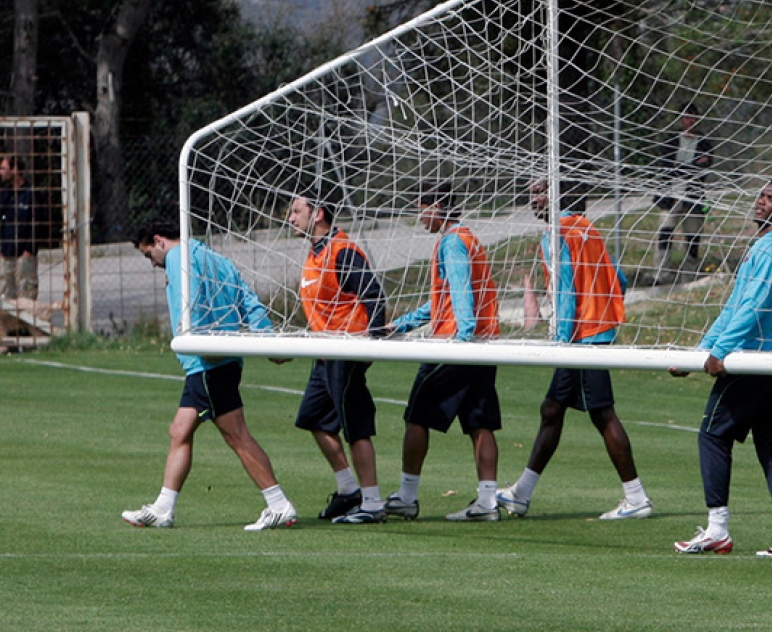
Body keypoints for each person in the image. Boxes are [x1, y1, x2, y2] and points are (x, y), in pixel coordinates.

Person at [121, 221, 300, 531]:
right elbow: (248, 301)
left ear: (160, 241)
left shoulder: (177, 258)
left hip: (208, 363)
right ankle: (164, 507)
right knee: (180, 430)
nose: (152, 263)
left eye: (149, 255)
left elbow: (190, 308)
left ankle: (278, 503)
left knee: (236, 435)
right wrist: (269, 340)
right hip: (215, 361)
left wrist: (194, 338)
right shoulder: (218, 259)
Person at [497, 179, 653, 520]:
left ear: (558, 197)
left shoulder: (557, 234)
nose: (532, 200)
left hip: (581, 338)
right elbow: (619, 280)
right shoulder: (587, 228)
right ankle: (521, 493)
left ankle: (636, 497)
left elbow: (565, 293)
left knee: (602, 413)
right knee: (552, 409)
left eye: (539, 193)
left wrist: (562, 342)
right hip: (596, 330)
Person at [670, 177, 772, 558]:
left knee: (712, 435)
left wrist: (721, 352)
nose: (761, 202)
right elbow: (734, 304)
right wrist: (700, 352)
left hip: (754, 360)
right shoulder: (765, 246)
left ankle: (717, 528)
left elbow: (752, 306)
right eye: (762, 195)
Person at [382, 189, 503, 522]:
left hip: (455, 345)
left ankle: (407, 496)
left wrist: (461, 337)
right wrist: (404, 324)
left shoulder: (452, 243)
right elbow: (444, 299)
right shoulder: (468, 238)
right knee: (479, 422)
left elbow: (461, 292)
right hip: (481, 345)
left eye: (421, 209)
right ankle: (487, 503)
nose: (420, 216)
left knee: (417, 416)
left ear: (436, 207)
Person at [287, 191, 390, 525]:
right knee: (313, 418)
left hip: (346, 350)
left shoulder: (342, 251)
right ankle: (349, 491)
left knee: (355, 426)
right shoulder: (315, 252)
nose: (291, 218)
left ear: (318, 213)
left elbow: (373, 294)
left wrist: (370, 344)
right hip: (325, 353)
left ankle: (372, 503)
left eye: (296, 211)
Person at [652, 103, 714, 284]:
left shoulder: (704, 142)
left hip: (693, 195)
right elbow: (666, 165)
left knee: (693, 235)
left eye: (693, 117)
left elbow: (704, 165)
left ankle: (690, 273)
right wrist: (689, 167)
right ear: (681, 119)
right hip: (670, 194)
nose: (690, 121)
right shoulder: (671, 140)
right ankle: (661, 272)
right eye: (686, 117)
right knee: (665, 231)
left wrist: (685, 168)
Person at [0, 154, 39, 301]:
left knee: (26, 296)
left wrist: (29, 250)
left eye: (3, 168)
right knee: (6, 298)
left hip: (24, 255)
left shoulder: (31, 194)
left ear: (15, 169)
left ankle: (25, 325)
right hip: (5, 254)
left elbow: (37, 224)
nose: (1, 172)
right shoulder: (4, 193)